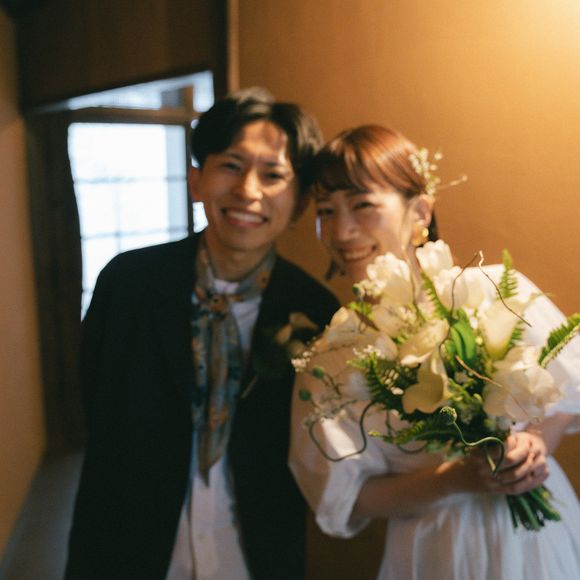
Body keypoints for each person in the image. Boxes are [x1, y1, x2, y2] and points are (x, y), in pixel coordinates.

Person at [65, 87, 339, 580]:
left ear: (299, 202)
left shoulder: (317, 311)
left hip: (253, 552)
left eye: (273, 174)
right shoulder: (127, 283)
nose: (248, 190)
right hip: (127, 542)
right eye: (231, 165)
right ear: (197, 179)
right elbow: (95, 399)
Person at [289, 125, 580, 579]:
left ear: (420, 211)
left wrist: (534, 444)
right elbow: (350, 496)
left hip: (537, 541)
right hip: (436, 549)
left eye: (362, 205)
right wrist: (457, 479)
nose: (341, 231)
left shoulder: (491, 292)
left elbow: (566, 391)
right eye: (326, 211)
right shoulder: (331, 356)